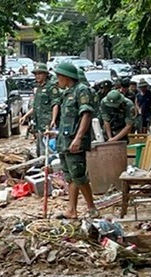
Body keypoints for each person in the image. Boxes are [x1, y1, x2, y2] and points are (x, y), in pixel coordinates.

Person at [53, 62, 98, 219]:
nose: (57, 80)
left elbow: (86, 114)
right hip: (65, 141)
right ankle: (71, 209)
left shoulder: (82, 91)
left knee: (79, 175)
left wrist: (78, 138)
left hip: (75, 141)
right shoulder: (67, 93)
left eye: (59, 76)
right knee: (70, 176)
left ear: (67, 77)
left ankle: (92, 208)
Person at [21, 63, 60, 157]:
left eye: (39, 74)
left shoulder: (51, 87)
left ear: (45, 74)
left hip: (48, 123)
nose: (37, 76)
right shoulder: (38, 88)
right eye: (35, 74)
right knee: (40, 149)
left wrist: (53, 120)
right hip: (39, 124)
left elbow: (55, 104)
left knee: (48, 150)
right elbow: (36, 107)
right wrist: (25, 116)